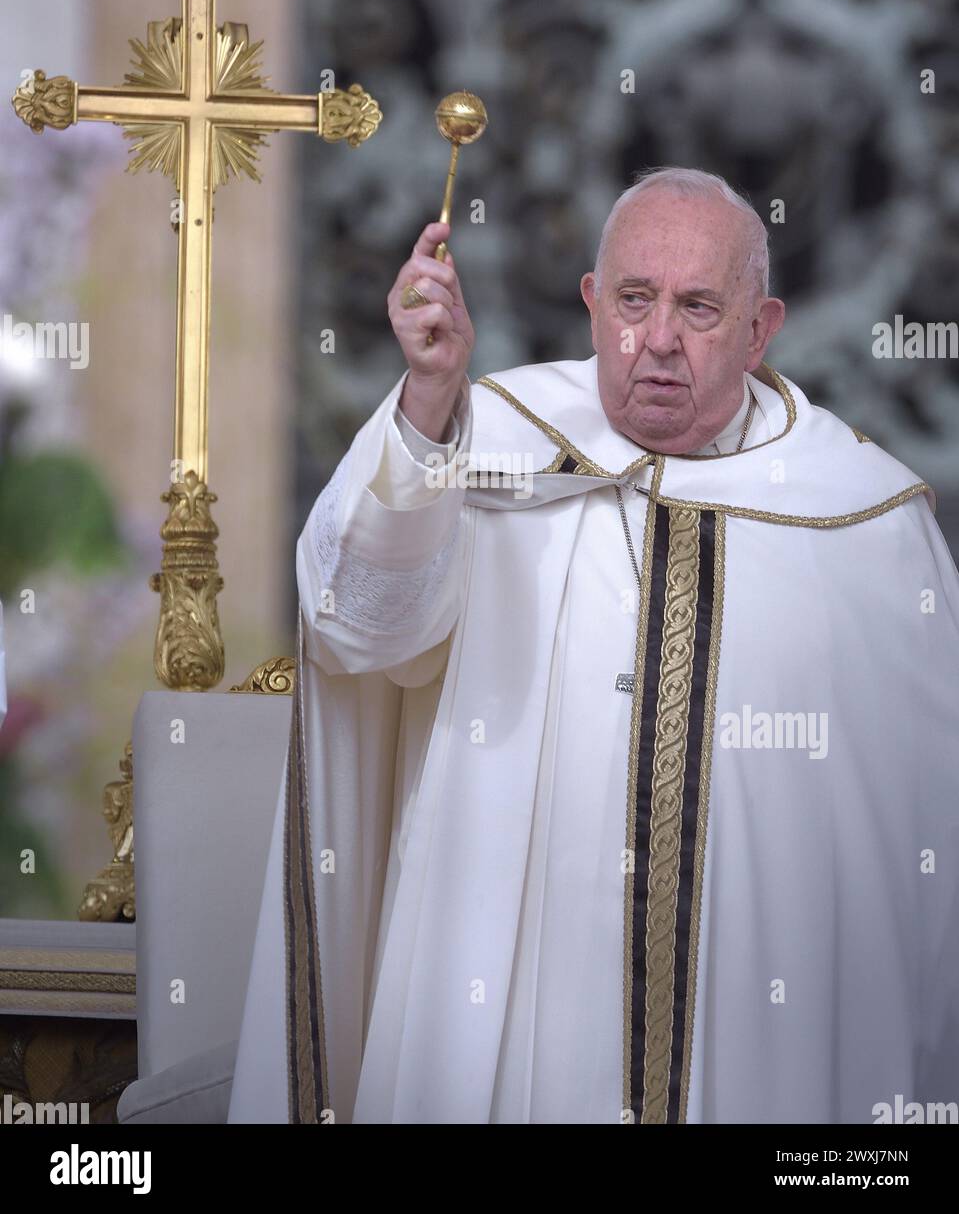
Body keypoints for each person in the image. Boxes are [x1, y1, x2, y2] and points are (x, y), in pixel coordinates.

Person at [228, 167, 959, 1125]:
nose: (657, 341)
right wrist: (426, 396)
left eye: (698, 307)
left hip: (756, 1029)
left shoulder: (860, 517)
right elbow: (356, 624)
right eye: (632, 300)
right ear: (589, 304)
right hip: (506, 993)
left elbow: (919, 831)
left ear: (760, 328)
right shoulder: (484, 439)